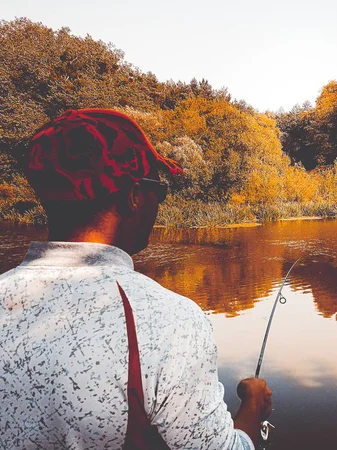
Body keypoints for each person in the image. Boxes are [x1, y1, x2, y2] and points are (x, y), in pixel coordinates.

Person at [0, 109, 272, 449]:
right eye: (159, 189)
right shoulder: (170, 322)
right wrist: (252, 404)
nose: (159, 201)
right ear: (134, 196)